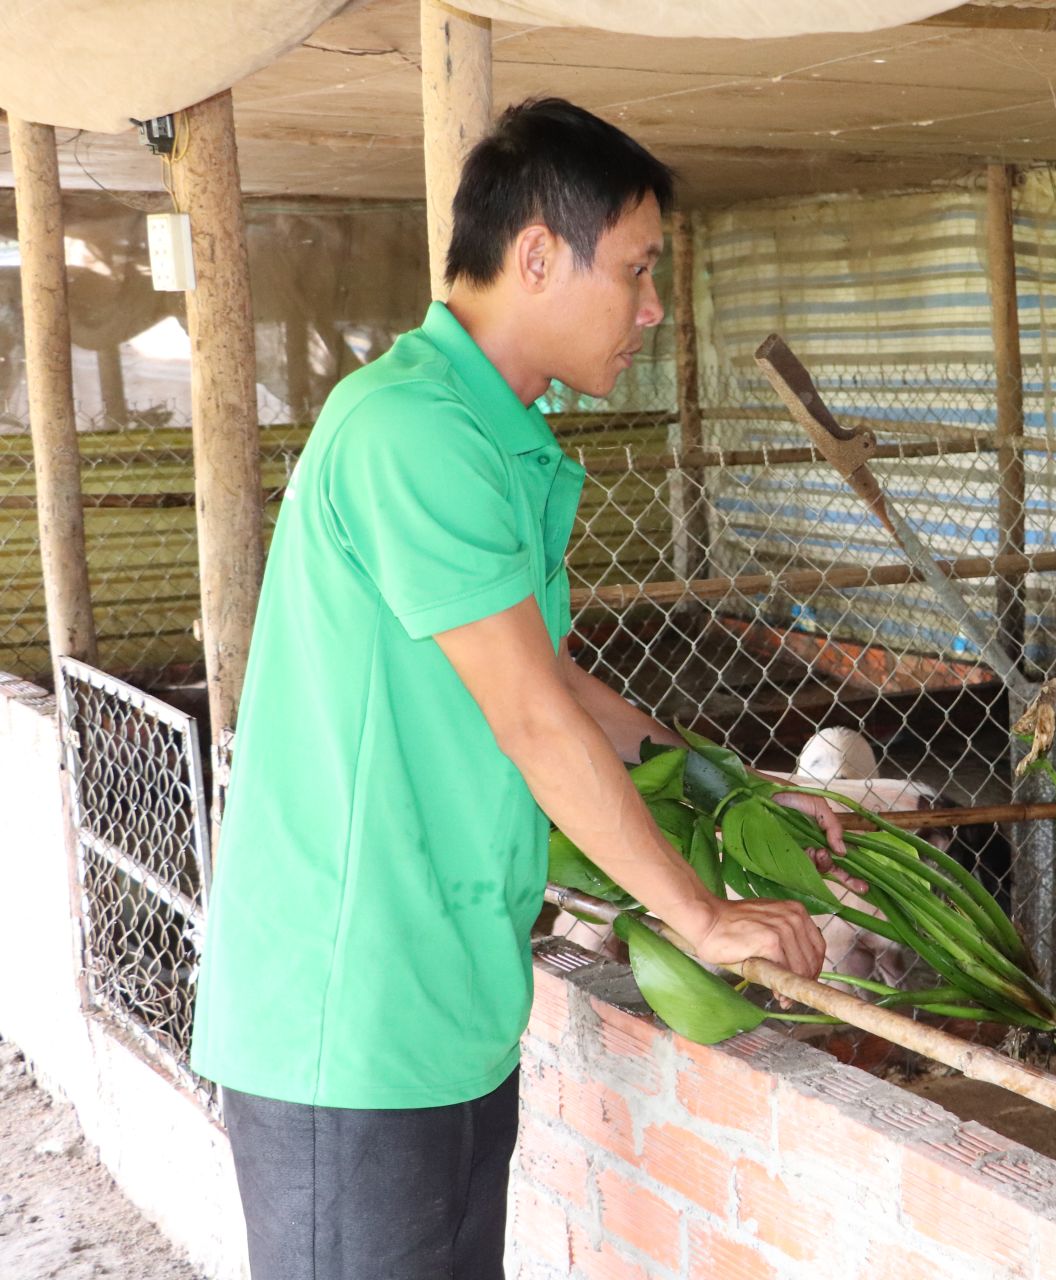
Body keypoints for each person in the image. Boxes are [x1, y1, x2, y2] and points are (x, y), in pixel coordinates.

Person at [189, 98, 841, 1280]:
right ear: (536, 255)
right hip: (354, 1015)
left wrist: (731, 787)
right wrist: (695, 910)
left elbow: (552, 682)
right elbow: (532, 720)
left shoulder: (489, 434)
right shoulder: (412, 431)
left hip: (444, 998)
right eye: (638, 271)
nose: (653, 310)